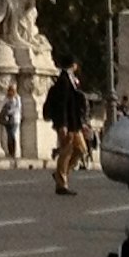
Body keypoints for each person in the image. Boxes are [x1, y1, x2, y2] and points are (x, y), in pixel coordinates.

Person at [46, 60, 90, 195]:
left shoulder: (71, 80)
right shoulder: (63, 81)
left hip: (74, 123)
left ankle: (61, 173)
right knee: (66, 151)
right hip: (68, 124)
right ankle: (61, 184)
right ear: (74, 65)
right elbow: (62, 105)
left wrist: (82, 123)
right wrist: (62, 125)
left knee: (81, 150)